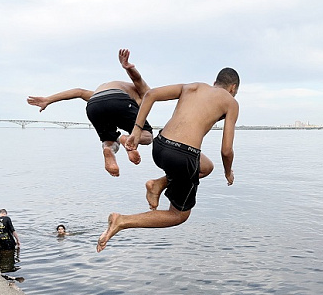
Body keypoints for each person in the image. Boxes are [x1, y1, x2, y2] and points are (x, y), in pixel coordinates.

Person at [97, 68, 240, 252]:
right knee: (178, 215)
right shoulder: (231, 102)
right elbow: (227, 150)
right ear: (233, 88)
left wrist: (137, 130)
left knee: (206, 167)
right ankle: (122, 221)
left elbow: (150, 94)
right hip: (182, 156)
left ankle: (157, 184)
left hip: (160, 146)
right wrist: (228, 172)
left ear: (215, 82)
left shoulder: (192, 86)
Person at [27, 49, 154, 177]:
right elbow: (138, 80)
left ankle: (108, 150)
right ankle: (125, 139)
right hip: (119, 99)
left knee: (108, 140)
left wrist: (48, 99)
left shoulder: (108, 88)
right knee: (147, 135)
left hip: (94, 104)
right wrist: (128, 68)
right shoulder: (147, 94)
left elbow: (79, 92)